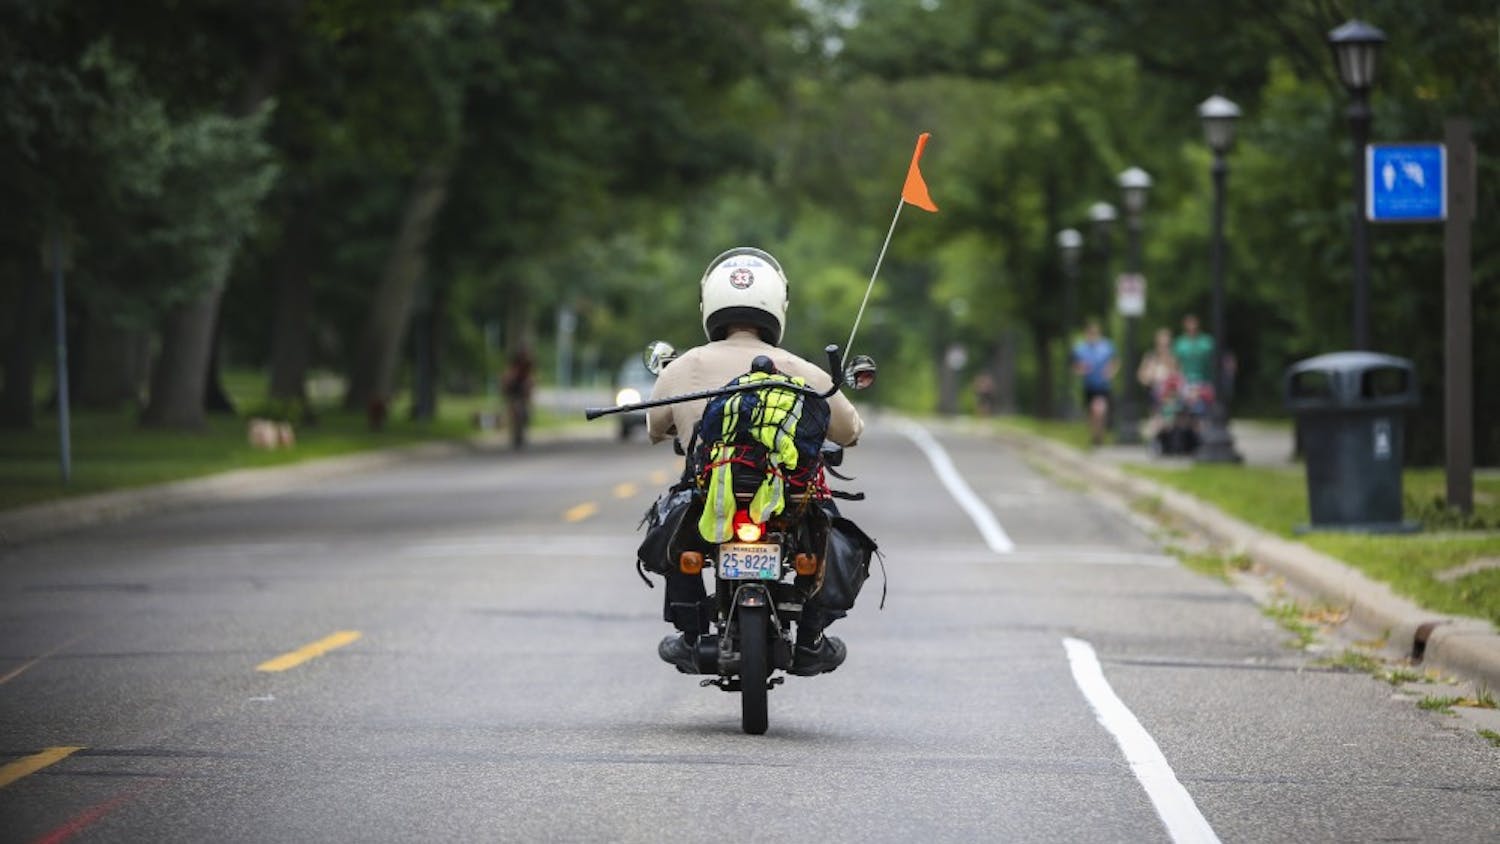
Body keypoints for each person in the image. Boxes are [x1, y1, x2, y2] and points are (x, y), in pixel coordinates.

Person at [646, 247, 864, 677]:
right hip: (788, 498)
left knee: (675, 534)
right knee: (827, 533)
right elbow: (850, 431)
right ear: (777, 305)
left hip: (711, 491)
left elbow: (655, 427)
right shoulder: (803, 370)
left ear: (710, 303)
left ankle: (691, 636)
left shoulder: (685, 365)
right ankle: (811, 639)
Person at [1070, 319, 1117, 447]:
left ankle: (1099, 436)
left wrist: (1110, 372)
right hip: (1089, 386)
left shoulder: (1106, 346)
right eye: (1090, 333)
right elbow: (1074, 366)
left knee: (1100, 410)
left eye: (1094, 333)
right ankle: (1094, 435)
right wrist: (1081, 370)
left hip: (1103, 386)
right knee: (1091, 413)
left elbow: (1114, 362)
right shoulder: (1080, 349)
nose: (1092, 336)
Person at [1137, 328, 1180, 440]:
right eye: (1161, 344)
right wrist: (1150, 377)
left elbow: (1178, 378)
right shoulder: (1150, 357)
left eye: (1166, 344)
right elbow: (1141, 377)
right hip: (1154, 395)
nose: (1164, 347)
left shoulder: (1173, 359)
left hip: (1170, 396)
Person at [500, 347, 535, 449]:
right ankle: (515, 435)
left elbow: (530, 378)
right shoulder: (514, 363)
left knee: (524, 413)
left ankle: (521, 434)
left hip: (522, 390)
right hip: (513, 389)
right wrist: (505, 388)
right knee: (514, 411)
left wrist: (529, 392)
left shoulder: (528, 364)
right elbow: (507, 377)